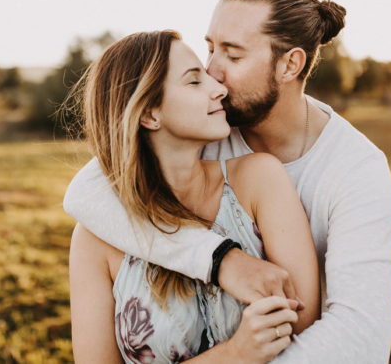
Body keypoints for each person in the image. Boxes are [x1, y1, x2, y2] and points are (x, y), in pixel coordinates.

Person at [65, 0, 391, 362]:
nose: (214, 74)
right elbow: (87, 193)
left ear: (290, 65)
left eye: (233, 55)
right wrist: (222, 260)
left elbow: (358, 338)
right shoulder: (200, 127)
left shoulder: (355, 170)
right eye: (210, 50)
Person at [68, 30, 320, 363]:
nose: (220, 89)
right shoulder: (94, 240)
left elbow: (302, 318)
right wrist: (235, 355)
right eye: (193, 82)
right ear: (150, 115)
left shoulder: (259, 181)